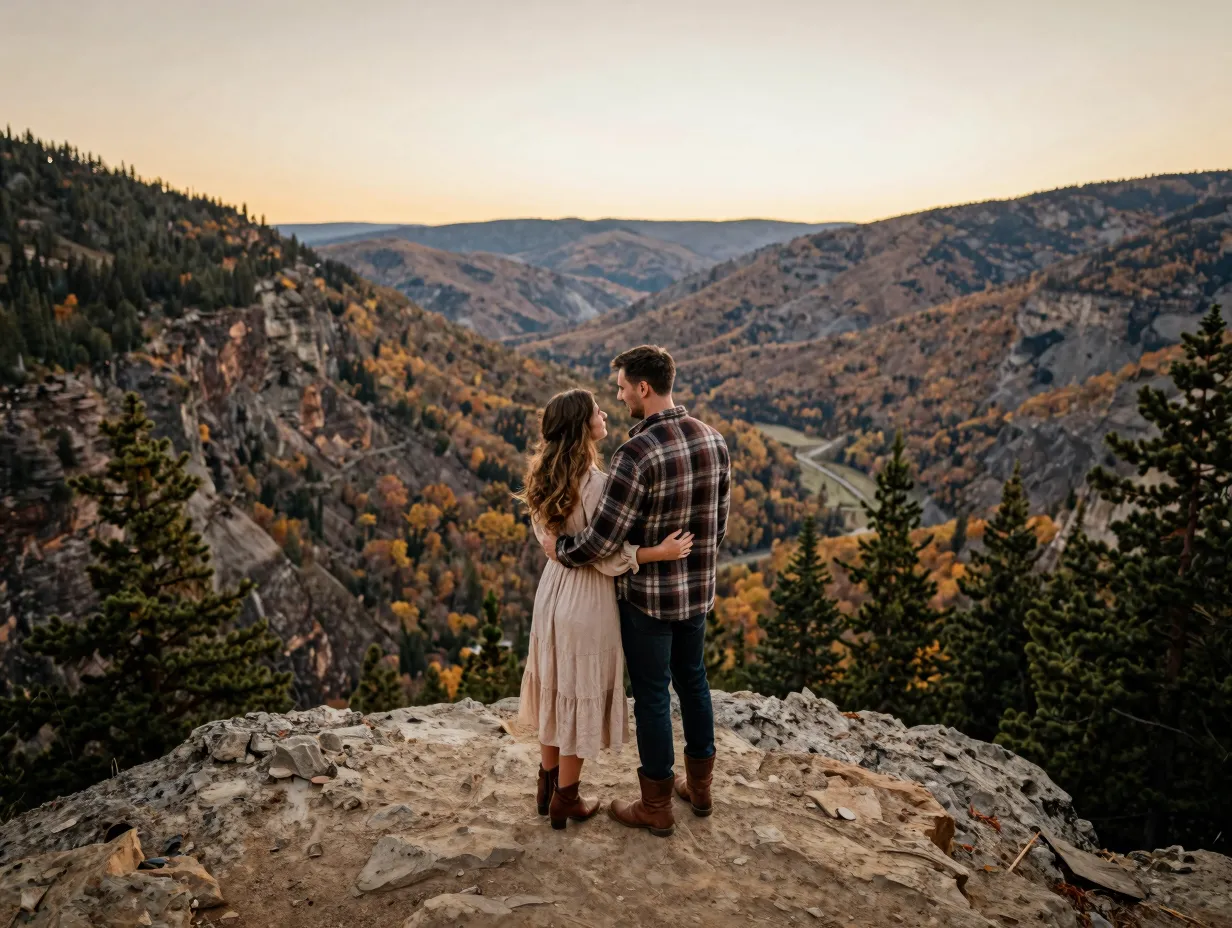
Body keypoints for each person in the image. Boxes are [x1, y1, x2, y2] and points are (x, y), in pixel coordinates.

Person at [542, 345, 731, 838]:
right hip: (697, 593)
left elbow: (603, 539)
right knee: (694, 681)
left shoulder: (636, 453)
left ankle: (656, 805)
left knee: (651, 693)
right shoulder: (714, 441)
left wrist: (560, 550)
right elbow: (718, 526)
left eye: (623, 386)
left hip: (649, 597)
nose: (620, 394)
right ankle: (702, 789)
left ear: (644, 387)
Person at [515, 388, 695, 831]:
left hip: (551, 593)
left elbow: (552, 545)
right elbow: (608, 555)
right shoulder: (598, 485)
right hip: (588, 599)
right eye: (596, 409)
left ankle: (547, 783)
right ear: (582, 426)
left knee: (555, 689)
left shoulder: (541, 476)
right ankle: (567, 799)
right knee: (577, 694)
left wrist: (559, 550)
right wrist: (659, 552)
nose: (604, 412)